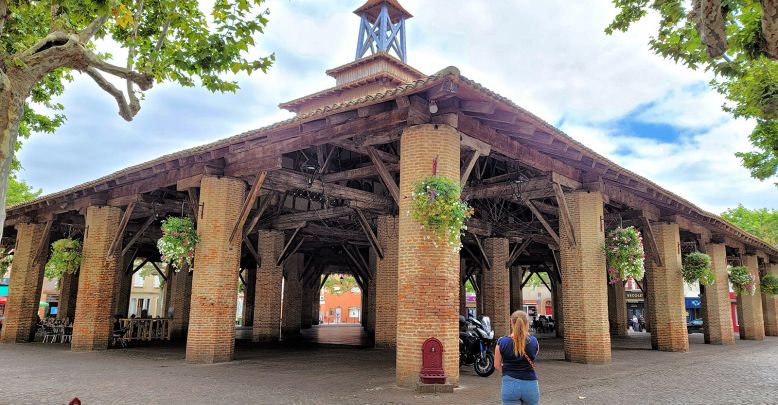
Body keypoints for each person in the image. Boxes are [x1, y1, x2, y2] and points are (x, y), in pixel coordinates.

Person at [495, 311, 540, 405]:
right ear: (527, 324)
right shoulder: (534, 342)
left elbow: (497, 365)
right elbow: (533, 357)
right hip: (530, 385)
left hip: (510, 385)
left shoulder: (501, 342)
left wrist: (508, 372)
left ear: (511, 323)